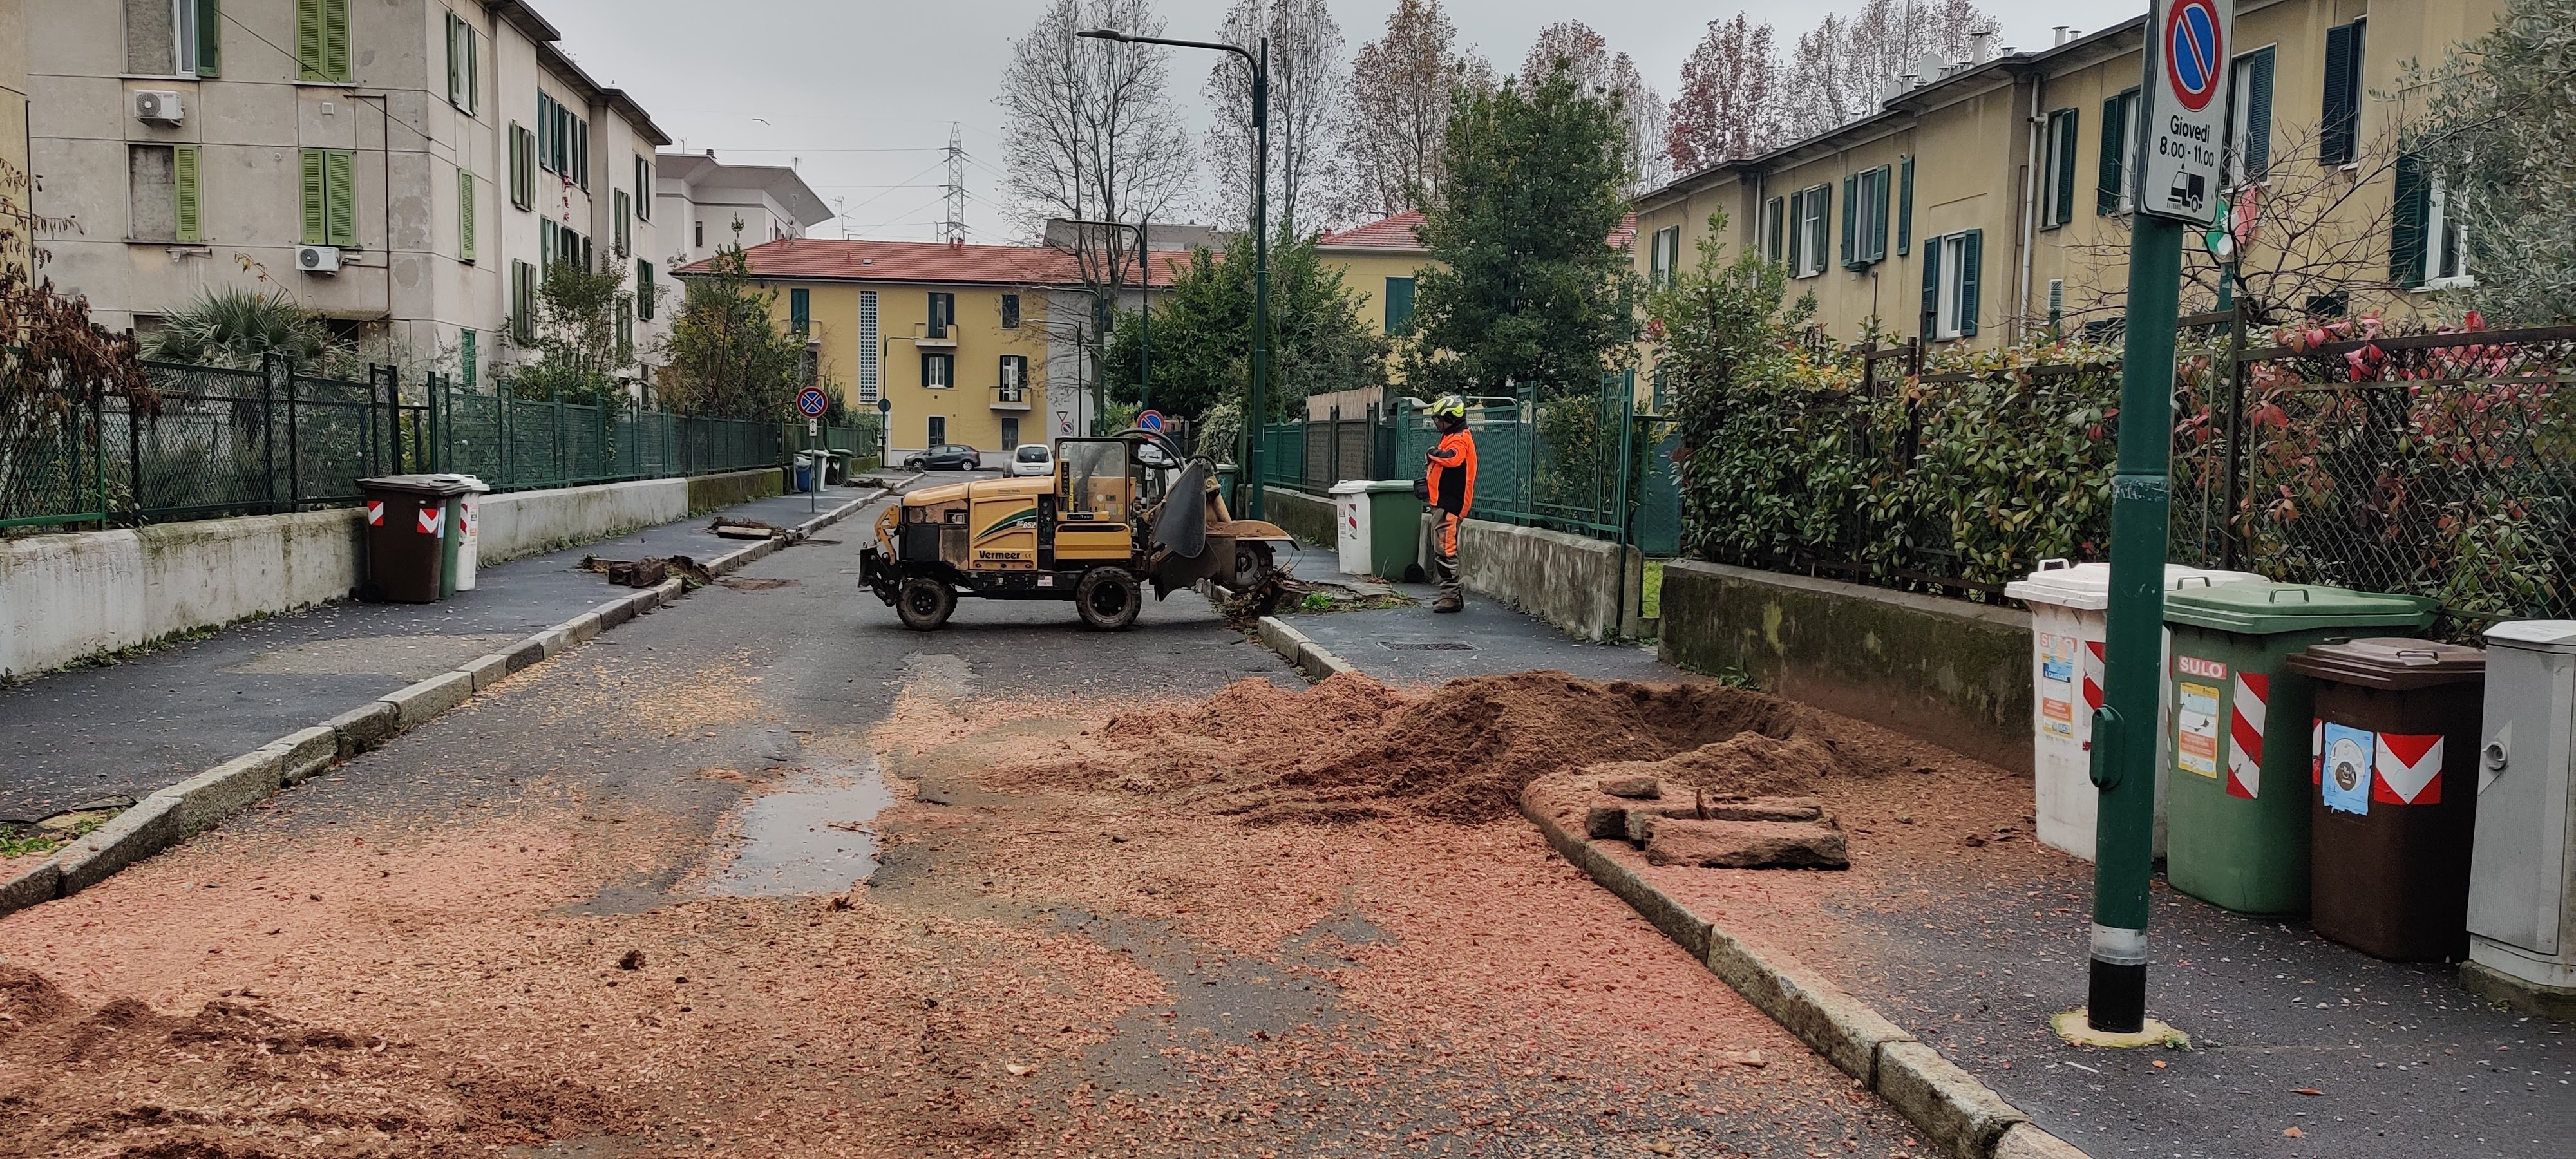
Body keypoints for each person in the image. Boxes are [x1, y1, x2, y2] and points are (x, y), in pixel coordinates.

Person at [1421, 395, 1477, 613]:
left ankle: (1451, 598)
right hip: (1443, 502)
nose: (1438, 423)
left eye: (1440, 419)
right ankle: (1450, 595)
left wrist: (1432, 453)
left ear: (1452, 419)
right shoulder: (1451, 436)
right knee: (1442, 549)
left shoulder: (1459, 439)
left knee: (1445, 551)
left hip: (1451, 505)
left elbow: (1453, 459)